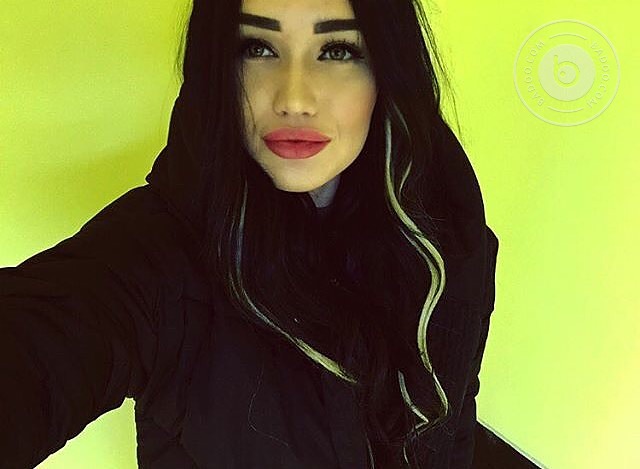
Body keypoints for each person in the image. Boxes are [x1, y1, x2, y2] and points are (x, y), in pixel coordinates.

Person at [0, 0, 499, 467]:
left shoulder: (448, 238)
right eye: (257, 48)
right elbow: (47, 341)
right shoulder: (157, 254)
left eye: (337, 50)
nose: (294, 99)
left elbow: (454, 417)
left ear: (388, 70)